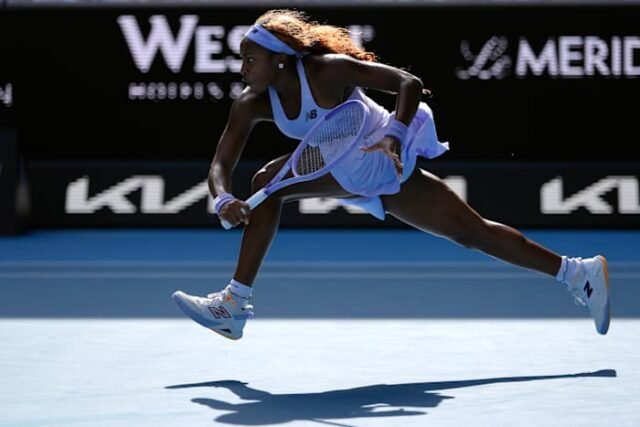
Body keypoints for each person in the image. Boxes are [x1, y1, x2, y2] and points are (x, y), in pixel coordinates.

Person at [171, 9, 611, 340]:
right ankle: (578, 274)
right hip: (347, 166)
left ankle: (234, 303)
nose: (242, 69)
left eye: (250, 59)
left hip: (380, 154)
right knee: (472, 232)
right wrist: (222, 198)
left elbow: (407, 83)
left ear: (280, 59)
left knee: (268, 183)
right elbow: (220, 165)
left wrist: (395, 136)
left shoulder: (326, 72)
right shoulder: (251, 103)